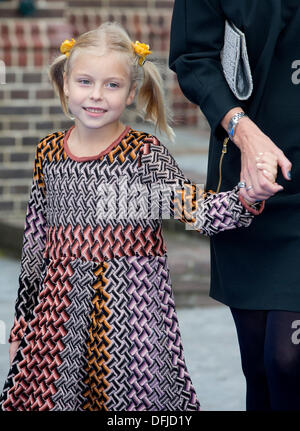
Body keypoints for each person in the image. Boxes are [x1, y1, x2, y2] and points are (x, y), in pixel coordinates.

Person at [0, 21, 277, 411]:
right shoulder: (48, 153)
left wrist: (247, 196)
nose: (96, 95)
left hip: (131, 321)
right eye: (84, 82)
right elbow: (33, 250)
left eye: (111, 85)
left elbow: (194, 210)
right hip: (59, 321)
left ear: (131, 92)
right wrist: (22, 324)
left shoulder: (142, 154)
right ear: (65, 84)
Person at [169, 0, 300, 411]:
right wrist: (244, 134)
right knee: (259, 368)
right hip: (251, 186)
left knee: (286, 359)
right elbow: (193, 56)